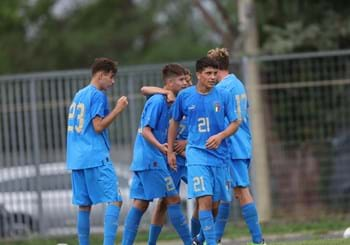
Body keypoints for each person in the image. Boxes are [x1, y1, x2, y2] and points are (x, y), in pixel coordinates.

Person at [168, 57, 241, 245]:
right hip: (196, 155)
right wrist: (170, 151)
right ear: (198, 75)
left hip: (219, 157)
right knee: (205, 201)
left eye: (215, 73)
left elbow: (235, 122)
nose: (213, 77)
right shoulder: (185, 96)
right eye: (208, 73)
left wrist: (220, 136)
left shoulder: (223, 95)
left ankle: (199, 240)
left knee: (215, 206)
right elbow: (174, 122)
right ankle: (210, 242)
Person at [122, 64, 192, 245]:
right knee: (174, 199)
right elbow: (145, 130)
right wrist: (163, 149)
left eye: (186, 80)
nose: (185, 83)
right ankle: (189, 242)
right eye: (181, 80)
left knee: (141, 204)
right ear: (169, 83)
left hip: (147, 159)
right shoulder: (157, 101)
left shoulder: (173, 100)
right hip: (151, 159)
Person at [66, 57, 128, 245]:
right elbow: (98, 126)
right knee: (115, 200)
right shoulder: (97, 95)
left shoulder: (79, 94)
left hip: (76, 158)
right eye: (111, 77)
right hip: (94, 155)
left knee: (84, 205)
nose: (113, 81)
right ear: (101, 75)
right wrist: (118, 109)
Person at [208, 48, 266, 245]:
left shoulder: (223, 89)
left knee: (241, 190)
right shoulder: (237, 83)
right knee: (225, 194)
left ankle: (259, 240)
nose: (209, 76)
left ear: (216, 69)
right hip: (240, 143)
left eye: (210, 71)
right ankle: (213, 239)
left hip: (232, 146)